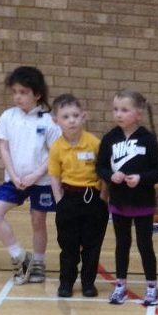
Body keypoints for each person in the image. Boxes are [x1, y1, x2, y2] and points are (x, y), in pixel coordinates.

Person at [0, 65, 59, 284]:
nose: (17, 97)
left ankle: (38, 263)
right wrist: (13, 174)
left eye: (23, 92)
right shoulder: (8, 117)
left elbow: (55, 153)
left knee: (38, 220)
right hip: (14, 180)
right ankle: (19, 256)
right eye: (15, 92)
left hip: (41, 180)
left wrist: (35, 175)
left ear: (37, 94)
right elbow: (4, 147)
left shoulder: (49, 121)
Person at [96, 88, 158, 306]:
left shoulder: (148, 139)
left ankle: (152, 287)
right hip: (119, 202)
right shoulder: (109, 138)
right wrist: (111, 175)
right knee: (122, 244)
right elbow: (100, 167)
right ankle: (120, 285)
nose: (118, 114)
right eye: (116, 109)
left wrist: (141, 178)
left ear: (138, 114)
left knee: (145, 245)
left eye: (124, 110)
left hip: (143, 202)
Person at [47, 93, 107, 298]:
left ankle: (88, 283)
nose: (71, 120)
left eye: (75, 115)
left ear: (84, 116)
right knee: (68, 246)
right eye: (66, 117)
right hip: (69, 200)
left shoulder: (94, 143)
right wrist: (59, 202)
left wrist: (103, 198)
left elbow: (104, 173)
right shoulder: (57, 147)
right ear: (56, 121)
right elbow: (54, 176)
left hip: (93, 199)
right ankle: (66, 282)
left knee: (92, 245)